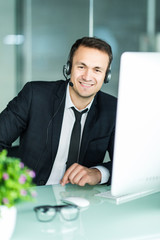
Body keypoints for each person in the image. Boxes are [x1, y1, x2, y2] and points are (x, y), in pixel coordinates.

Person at [0, 36, 117, 187]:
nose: (87, 76)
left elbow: (128, 165)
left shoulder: (112, 109)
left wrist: (99, 173)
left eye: (97, 70)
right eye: (81, 67)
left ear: (106, 76)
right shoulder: (35, 96)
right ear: (68, 68)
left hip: (83, 201)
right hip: (31, 193)